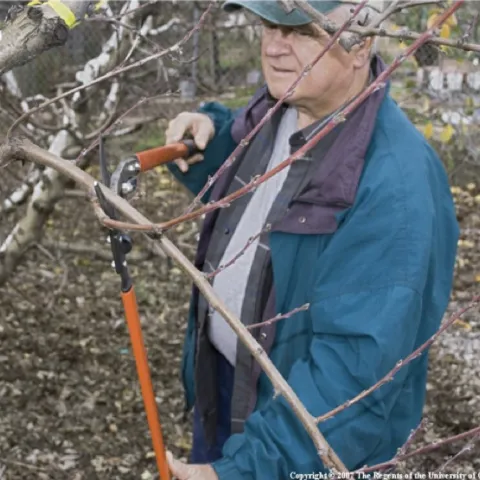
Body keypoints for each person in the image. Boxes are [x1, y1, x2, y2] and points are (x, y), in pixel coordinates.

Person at [163, 1, 460, 479]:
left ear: (360, 42)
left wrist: (243, 471)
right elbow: (255, 190)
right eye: (268, 24)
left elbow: (351, 382)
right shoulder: (280, 111)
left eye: (300, 30)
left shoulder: (394, 187)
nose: (274, 46)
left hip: (291, 442)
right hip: (227, 388)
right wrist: (212, 137)